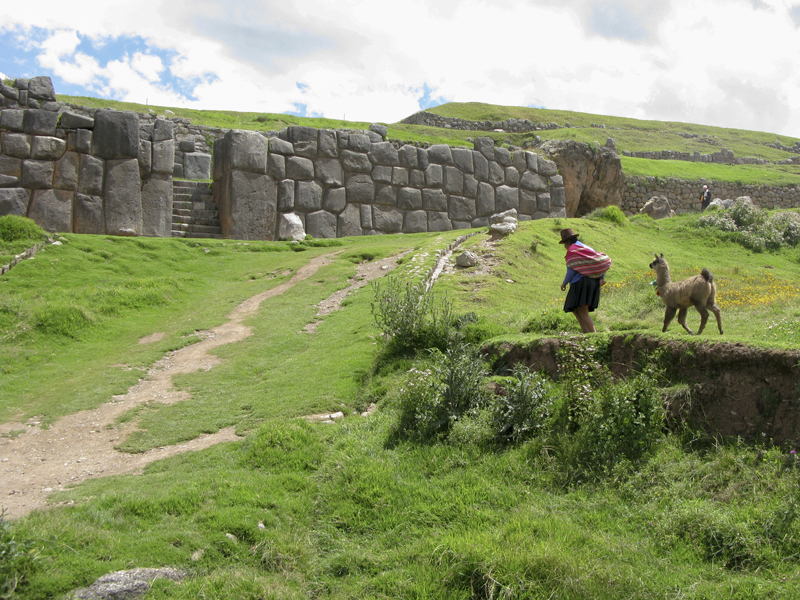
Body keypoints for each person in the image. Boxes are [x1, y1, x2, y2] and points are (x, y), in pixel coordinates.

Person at [559, 228, 606, 333]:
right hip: (592, 282)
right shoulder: (588, 249)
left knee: (583, 310)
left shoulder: (573, 251)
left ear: (568, 242)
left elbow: (571, 272)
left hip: (581, 282)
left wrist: (564, 283)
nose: (565, 247)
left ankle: (593, 334)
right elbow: (601, 261)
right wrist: (601, 277)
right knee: (575, 309)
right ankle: (585, 332)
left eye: (565, 244)